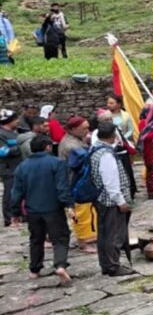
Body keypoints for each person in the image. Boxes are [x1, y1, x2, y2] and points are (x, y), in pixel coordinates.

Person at [11, 135, 73, 284]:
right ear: (48, 147)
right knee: (60, 238)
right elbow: (62, 187)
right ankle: (60, 265)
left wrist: (15, 212)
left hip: (32, 210)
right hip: (53, 208)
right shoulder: (57, 163)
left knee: (36, 239)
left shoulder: (22, 166)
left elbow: (16, 191)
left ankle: (35, 269)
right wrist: (69, 205)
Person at [90, 121, 134, 277]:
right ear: (113, 136)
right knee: (114, 234)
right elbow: (110, 181)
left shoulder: (95, 150)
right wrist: (121, 201)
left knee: (104, 233)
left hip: (102, 199)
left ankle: (106, 264)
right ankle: (113, 265)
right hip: (110, 200)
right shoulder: (106, 155)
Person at [57, 115, 97, 253]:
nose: (87, 131)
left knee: (86, 212)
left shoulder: (76, 140)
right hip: (75, 182)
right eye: (84, 128)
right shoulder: (71, 145)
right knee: (80, 213)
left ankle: (87, 237)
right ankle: (83, 242)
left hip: (80, 180)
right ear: (73, 129)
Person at [0, 109, 23, 226]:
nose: (18, 121)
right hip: (8, 168)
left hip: (18, 166)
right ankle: (9, 218)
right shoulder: (1, 134)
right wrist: (20, 147)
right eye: (15, 119)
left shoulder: (15, 132)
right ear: (9, 121)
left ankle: (20, 215)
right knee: (10, 193)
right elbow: (2, 152)